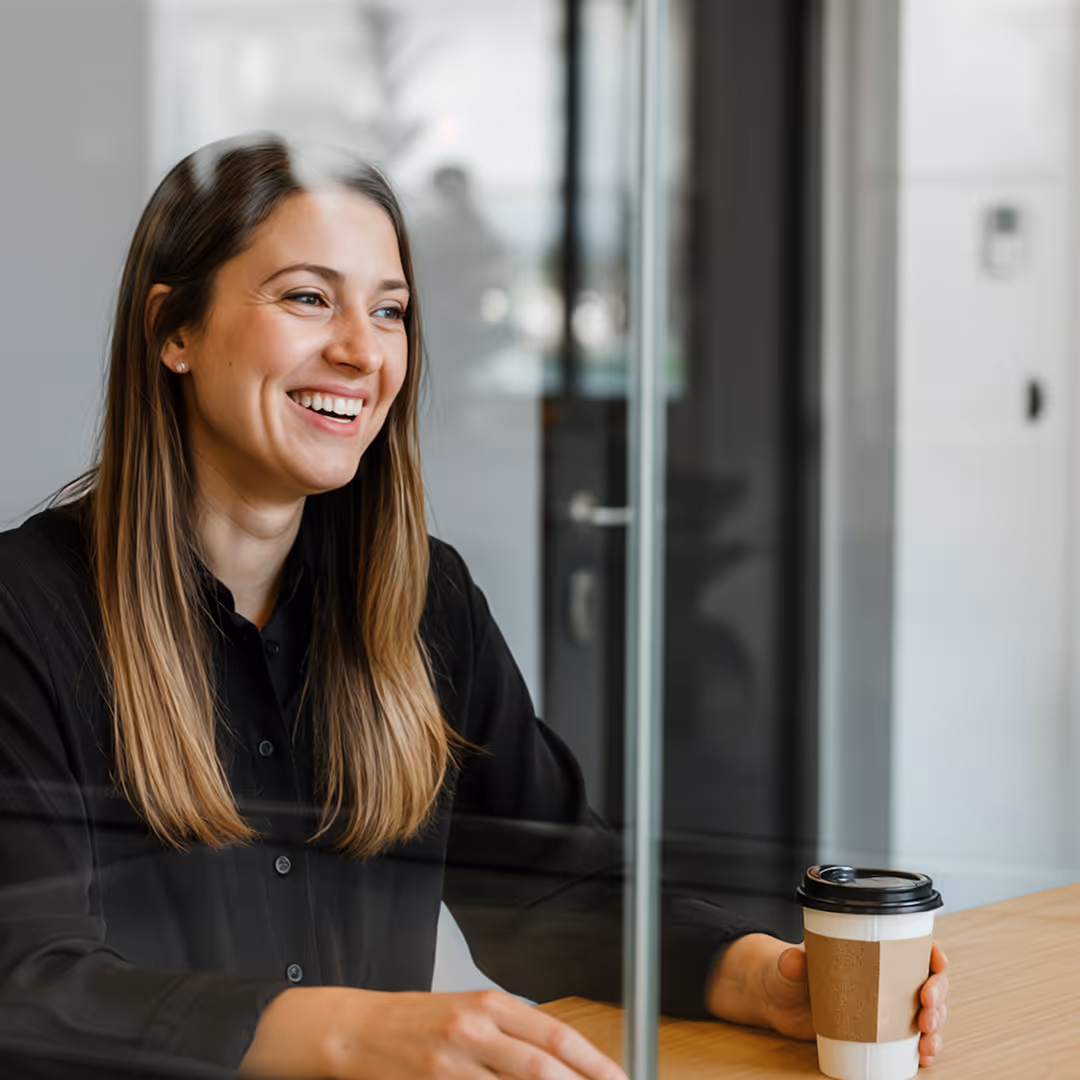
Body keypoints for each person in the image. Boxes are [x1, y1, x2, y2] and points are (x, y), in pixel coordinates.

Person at [0, 136, 948, 1080]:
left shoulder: (423, 600)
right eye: (307, 297)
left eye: (390, 311)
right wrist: (352, 1034)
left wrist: (759, 977)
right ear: (173, 329)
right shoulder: (23, 615)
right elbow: (25, 983)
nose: (362, 351)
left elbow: (553, 887)